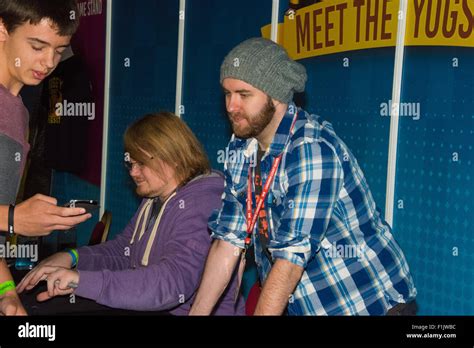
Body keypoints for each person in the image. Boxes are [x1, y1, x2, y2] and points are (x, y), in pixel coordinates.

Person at [190, 37, 417, 316]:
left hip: (367, 305)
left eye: (243, 94)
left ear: (275, 95)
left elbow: (289, 263)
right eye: (227, 93)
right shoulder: (241, 146)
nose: (231, 106)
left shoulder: (311, 149)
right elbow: (228, 240)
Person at [17, 112, 245, 315]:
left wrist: (81, 280)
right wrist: (72, 259)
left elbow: (171, 284)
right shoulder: (155, 198)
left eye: (141, 163)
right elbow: (124, 251)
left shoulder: (203, 202)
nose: (133, 172)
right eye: (130, 163)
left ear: (173, 157)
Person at [0, 0, 91, 315]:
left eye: (59, 49)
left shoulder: (18, 112)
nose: (49, 61)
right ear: (2, 29)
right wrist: (13, 219)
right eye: (37, 46)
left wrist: (7, 292)